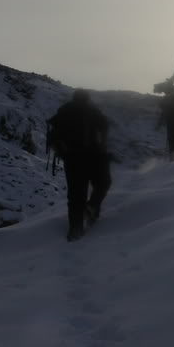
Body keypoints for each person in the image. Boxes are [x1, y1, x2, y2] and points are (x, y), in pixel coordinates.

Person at [48, 89, 111, 241]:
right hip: (94, 156)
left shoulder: (63, 112)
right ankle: (92, 208)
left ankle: (75, 230)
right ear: (87, 98)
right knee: (103, 183)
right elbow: (104, 125)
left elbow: (54, 135)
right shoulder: (92, 110)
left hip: (72, 160)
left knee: (76, 195)